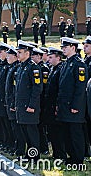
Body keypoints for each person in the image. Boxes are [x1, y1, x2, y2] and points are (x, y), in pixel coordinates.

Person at [58, 37, 87, 165]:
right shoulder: (66, 63)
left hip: (74, 107)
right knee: (66, 133)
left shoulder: (79, 64)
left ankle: (78, 159)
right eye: (62, 47)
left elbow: (80, 87)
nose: (63, 49)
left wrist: (76, 105)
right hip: (64, 106)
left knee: (76, 134)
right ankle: (71, 157)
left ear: (73, 48)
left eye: (66, 47)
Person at [15, 40, 42, 160]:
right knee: (25, 132)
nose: (17, 55)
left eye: (20, 52)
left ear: (27, 53)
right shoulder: (21, 67)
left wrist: (32, 105)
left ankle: (35, 156)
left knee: (32, 133)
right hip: (21, 106)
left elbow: (37, 88)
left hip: (29, 107)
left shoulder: (33, 67)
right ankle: (29, 154)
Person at [43, 47, 66, 159]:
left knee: (58, 132)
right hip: (49, 106)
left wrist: (57, 105)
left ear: (58, 58)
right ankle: (56, 153)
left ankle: (61, 154)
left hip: (55, 105)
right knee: (52, 132)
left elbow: (60, 89)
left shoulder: (60, 69)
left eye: (51, 57)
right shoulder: (53, 69)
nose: (49, 59)